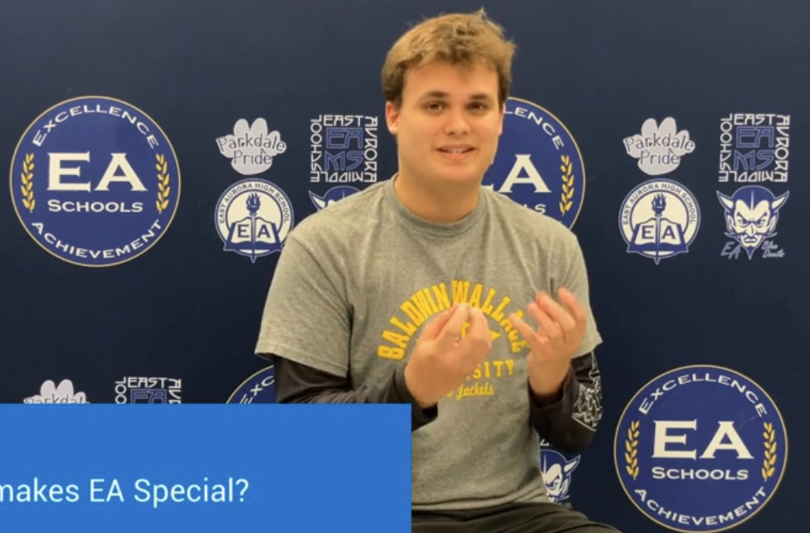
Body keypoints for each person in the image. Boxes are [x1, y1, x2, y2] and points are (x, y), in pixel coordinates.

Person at [255, 8, 619, 533]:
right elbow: (308, 439)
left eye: (477, 105)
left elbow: (576, 434)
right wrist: (413, 388)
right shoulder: (324, 244)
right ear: (394, 115)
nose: (457, 125)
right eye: (434, 104)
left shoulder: (550, 246)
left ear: (500, 118)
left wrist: (551, 383)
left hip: (516, 514)